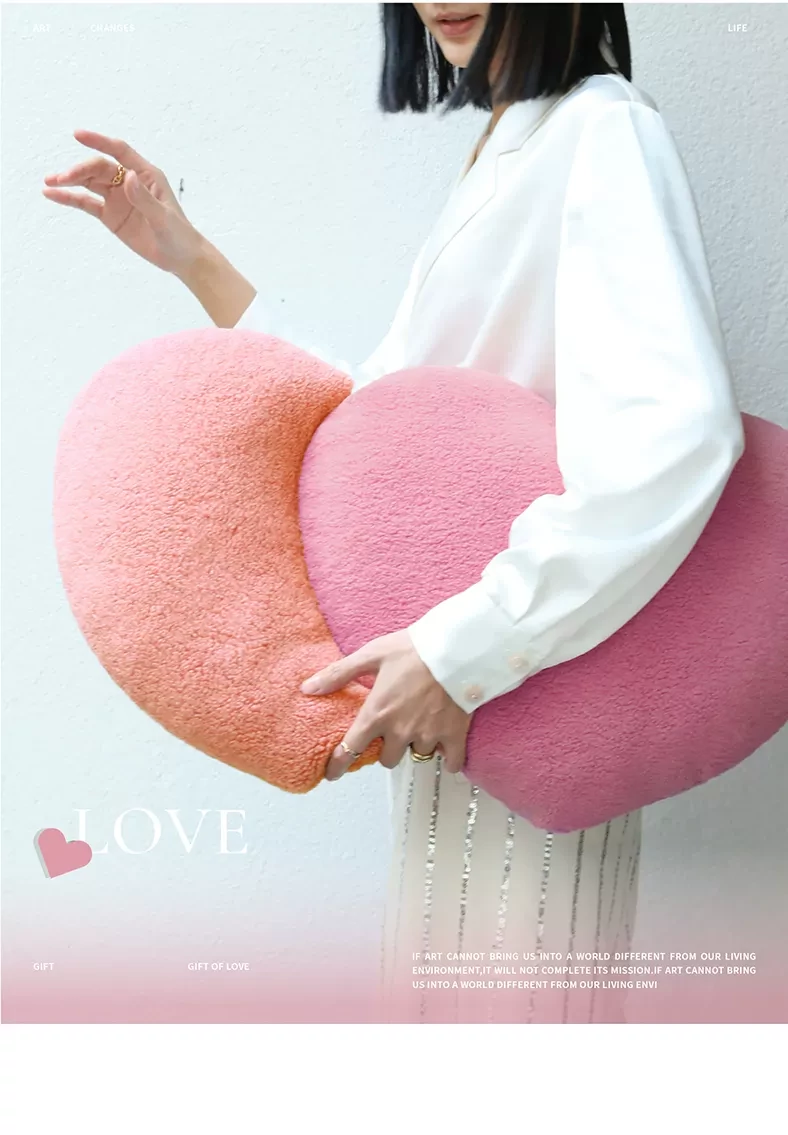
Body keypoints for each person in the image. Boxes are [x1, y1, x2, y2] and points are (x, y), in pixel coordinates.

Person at [42, 3, 744, 1025]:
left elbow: (673, 434)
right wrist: (190, 255)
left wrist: (462, 649)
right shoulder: (512, 142)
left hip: (528, 701)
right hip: (458, 705)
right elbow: (375, 421)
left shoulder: (602, 129)